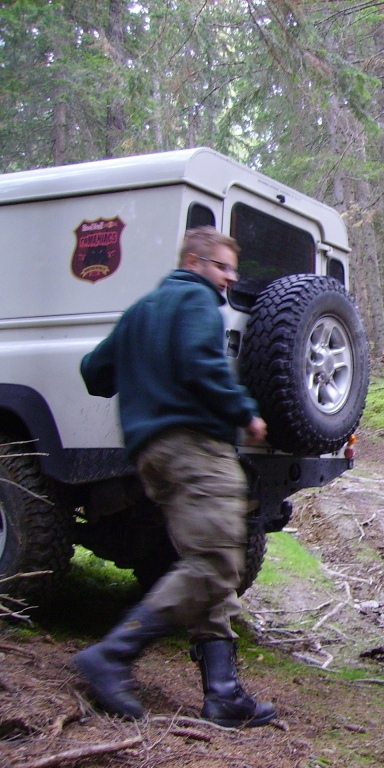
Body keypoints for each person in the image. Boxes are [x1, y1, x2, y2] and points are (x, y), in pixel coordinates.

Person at [73, 227, 276, 727]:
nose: (228, 280)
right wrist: (244, 412)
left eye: (232, 269)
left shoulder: (143, 309)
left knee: (206, 564)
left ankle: (224, 694)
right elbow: (199, 363)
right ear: (195, 261)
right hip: (196, 448)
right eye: (222, 267)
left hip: (151, 453)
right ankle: (112, 655)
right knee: (213, 565)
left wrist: (141, 375)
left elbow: (94, 371)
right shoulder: (197, 300)